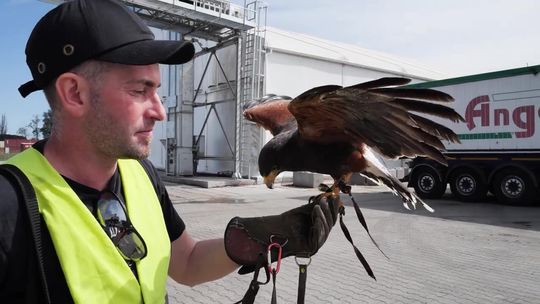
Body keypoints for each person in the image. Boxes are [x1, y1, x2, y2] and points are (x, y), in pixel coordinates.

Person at [0, 0, 339, 303]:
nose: (160, 111)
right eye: (139, 90)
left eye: (158, 90)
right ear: (74, 93)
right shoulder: (9, 204)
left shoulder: (141, 175)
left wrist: (259, 240)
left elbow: (187, 263)